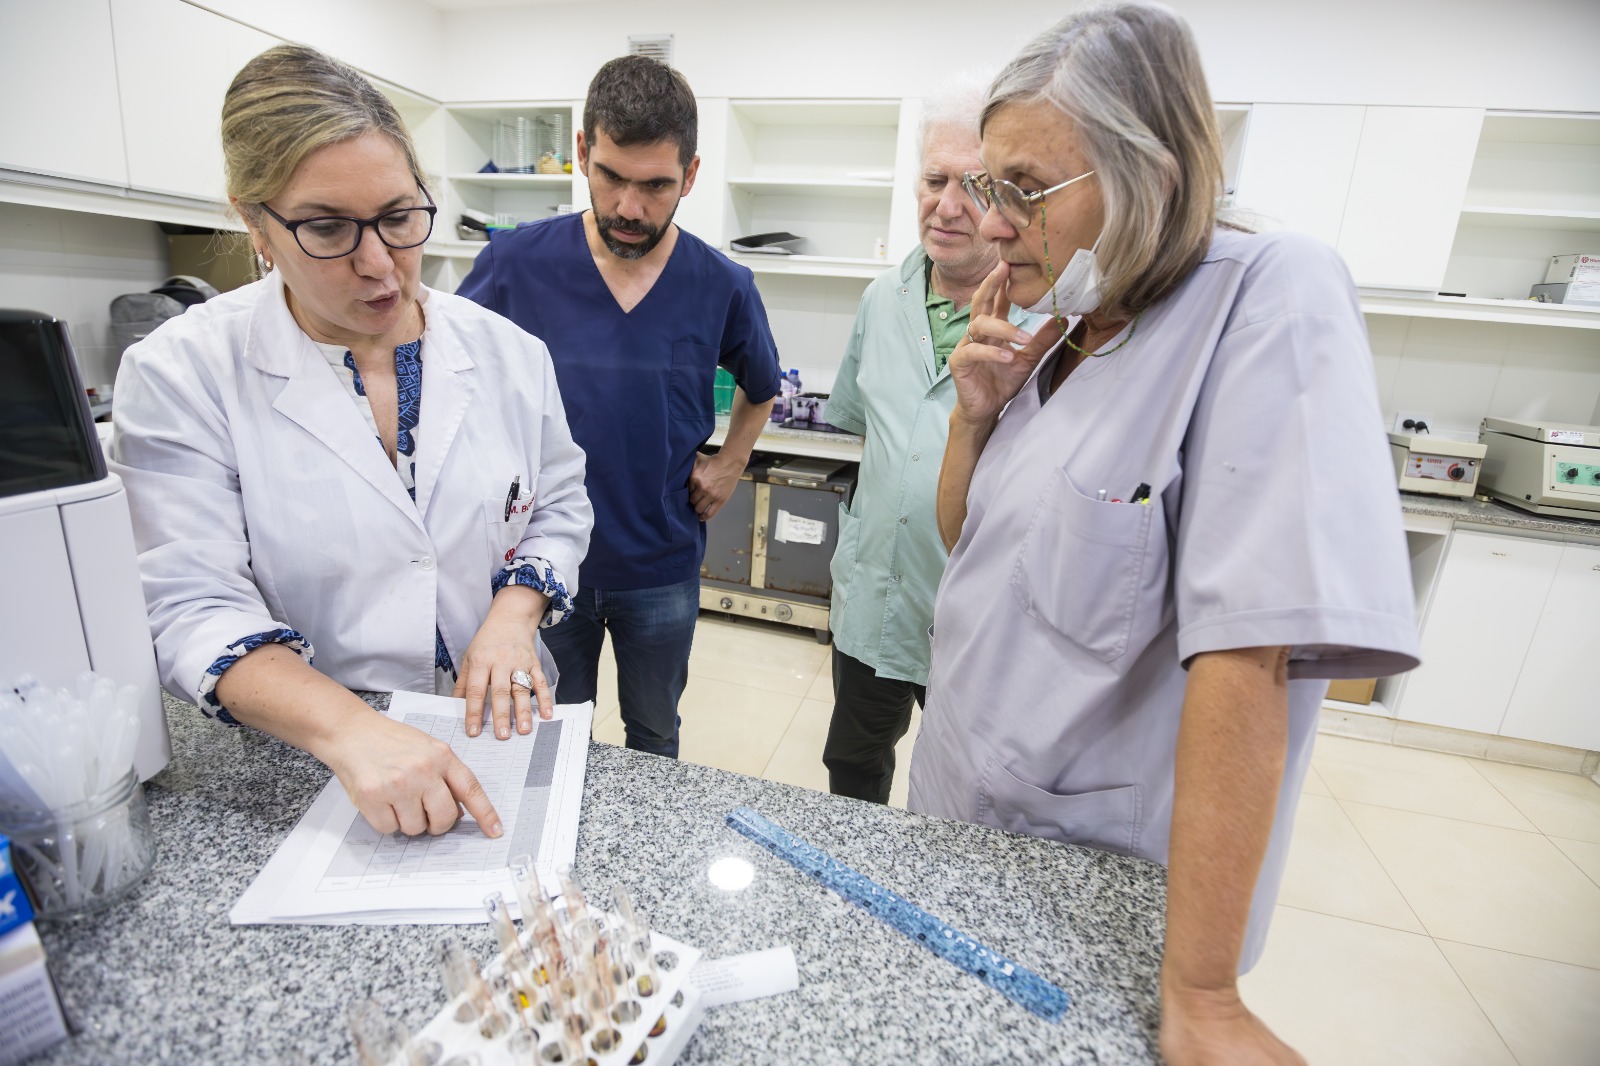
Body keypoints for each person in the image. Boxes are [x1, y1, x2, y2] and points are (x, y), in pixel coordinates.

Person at [906, 5, 1420, 1063]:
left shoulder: (1266, 294)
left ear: (1151, 173)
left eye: (1022, 189)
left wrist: (1203, 991)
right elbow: (971, 546)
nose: (993, 225)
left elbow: (1252, 649)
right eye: (991, 187)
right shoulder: (1068, 325)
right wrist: (973, 421)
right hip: (960, 804)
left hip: (1090, 873)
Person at [111, 44, 592, 839]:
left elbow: (559, 504)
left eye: (399, 218)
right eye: (328, 228)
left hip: (496, 720)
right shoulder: (182, 372)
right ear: (254, 221)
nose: (379, 265)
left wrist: (513, 615)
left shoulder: (508, 352)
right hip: (312, 750)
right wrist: (349, 730)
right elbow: (190, 602)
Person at [459, 56, 781, 759]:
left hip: (660, 566)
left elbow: (761, 386)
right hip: (541, 567)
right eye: (611, 176)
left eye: (656, 185)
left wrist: (731, 462)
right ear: (582, 153)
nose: (630, 208)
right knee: (550, 740)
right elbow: (446, 376)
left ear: (690, 176)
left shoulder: (722, 284)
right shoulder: (515, 266)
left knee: (654, 735)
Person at [820, 74, 1032, 804]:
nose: (947, 206)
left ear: (1009, 199)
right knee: (853, 772)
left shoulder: (1045, 321)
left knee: (961, 794)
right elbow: (871, 438)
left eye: (975, 186)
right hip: (873, 599)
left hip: (977, 619)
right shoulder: (882, 299)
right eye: (935, 180)